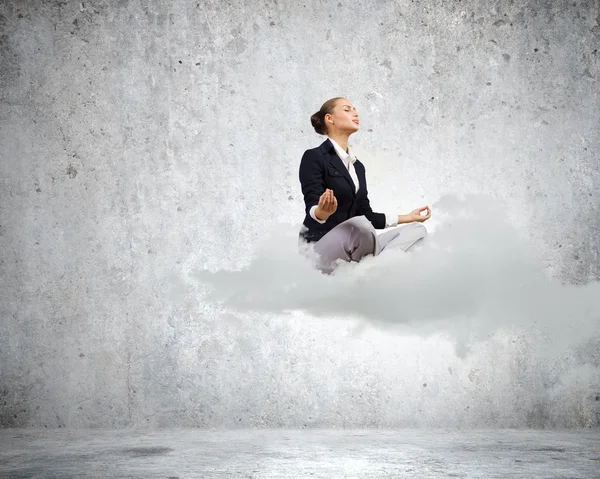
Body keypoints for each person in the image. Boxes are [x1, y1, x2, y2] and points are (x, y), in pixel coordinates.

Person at [298, 97, 431, 273]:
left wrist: (409, 217)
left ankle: (372, 271)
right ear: (330, 119)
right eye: (347, 109)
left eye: (354, 109)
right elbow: (312, 202)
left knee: (417, 231)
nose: (355, 113)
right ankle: (373, 272)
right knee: (360, 227)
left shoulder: (358, 167)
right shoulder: (314, 156)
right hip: (319, 248)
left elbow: (366, 215)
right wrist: (321, 213)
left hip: (357, 245)